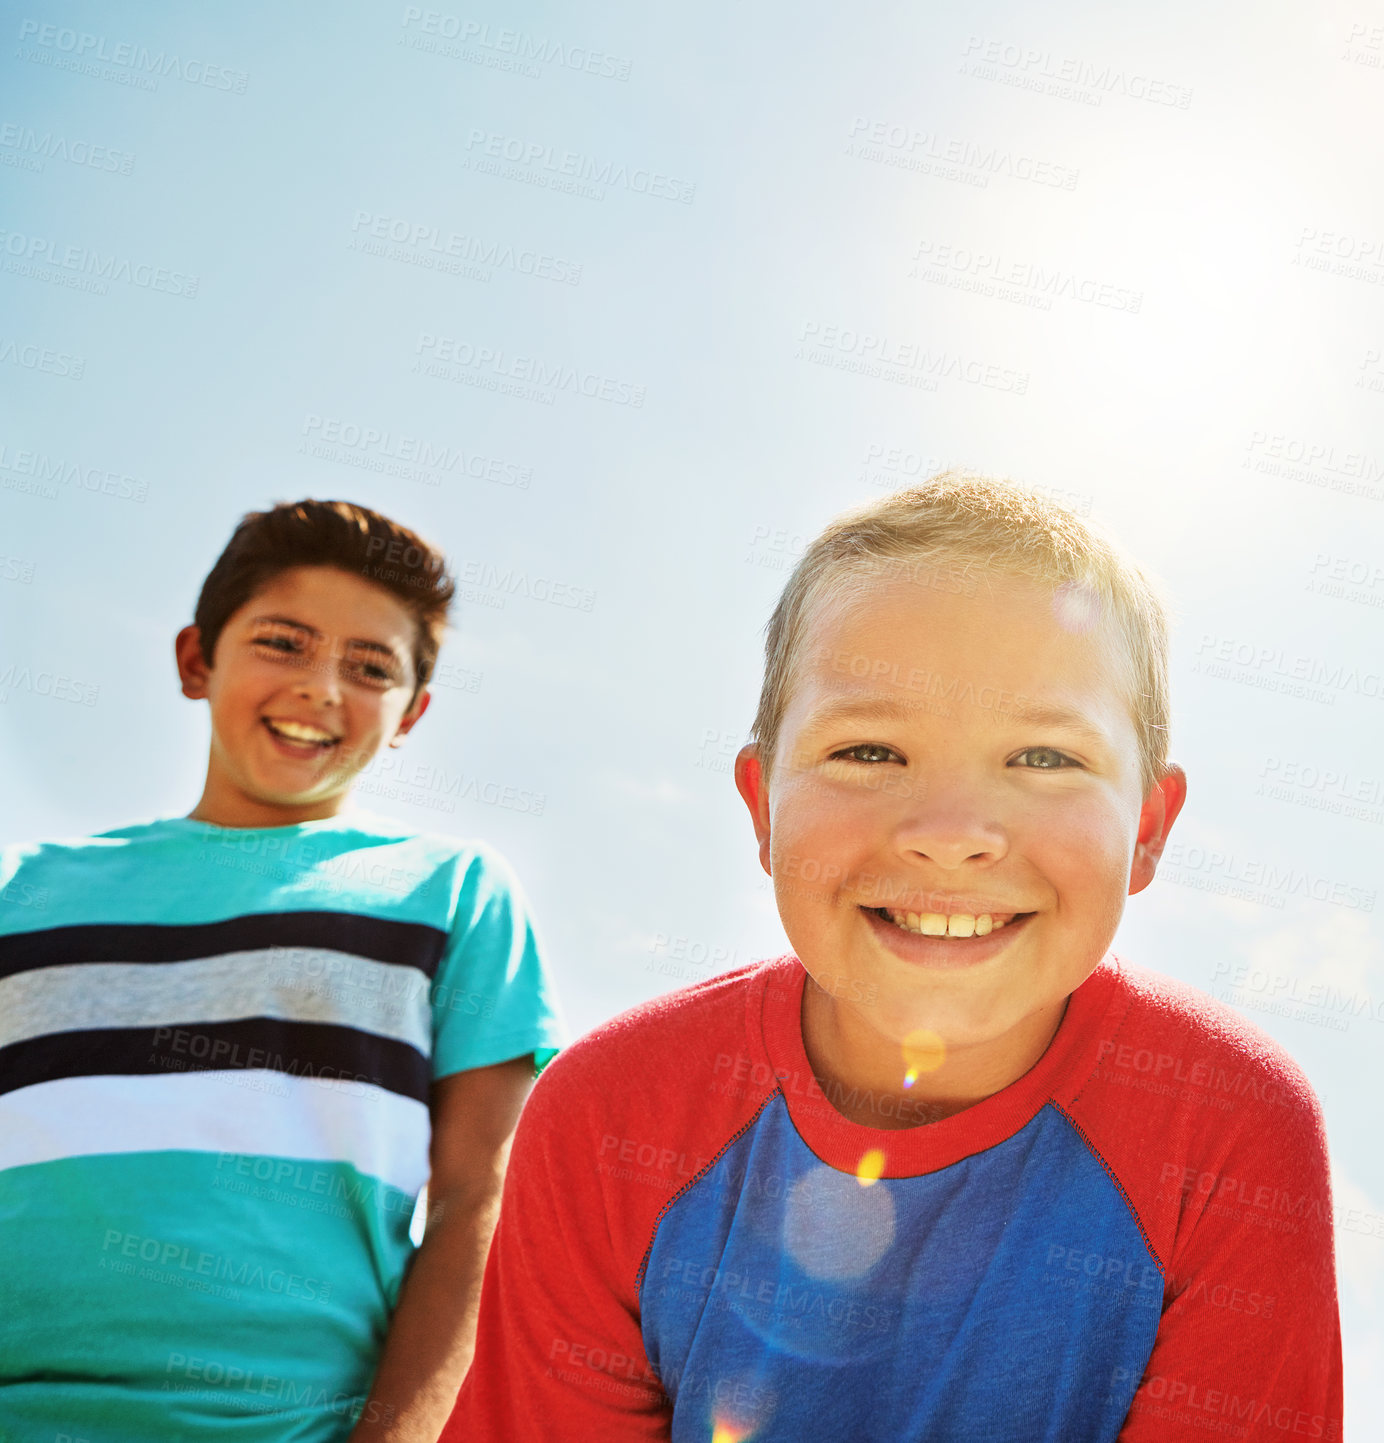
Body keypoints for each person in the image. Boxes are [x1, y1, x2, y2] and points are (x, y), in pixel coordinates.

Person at [442, 472, 1342, 1442]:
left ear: (1148, 831)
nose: (950, 835)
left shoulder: (1229, 1129)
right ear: (762, 807)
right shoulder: (607, 1114)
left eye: (1043, 758)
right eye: (869, 751)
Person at [0, 499, 565, 1442]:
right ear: (196, 660)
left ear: (412, 712)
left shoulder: (455, 892)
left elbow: (482, 1201)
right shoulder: (22, 888)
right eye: (283, 642)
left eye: (371, 666)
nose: (321, 687)